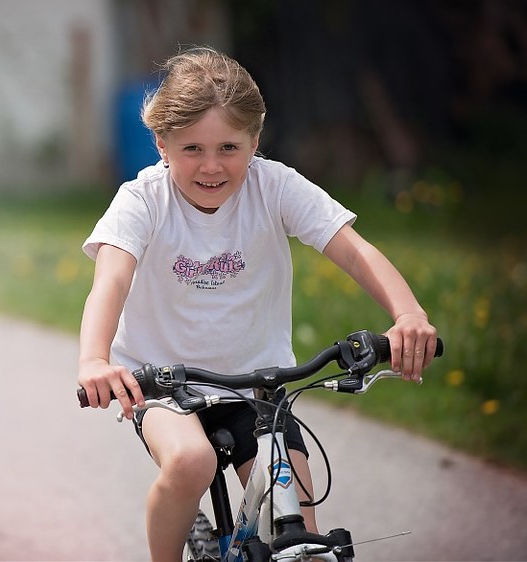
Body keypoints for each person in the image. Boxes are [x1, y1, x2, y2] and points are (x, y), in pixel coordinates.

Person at [78, 46, 438, 562]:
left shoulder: (275, 187)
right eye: (192, 149)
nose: (211, 166)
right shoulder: (142, 202)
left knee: (300, 532)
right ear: (160, 143)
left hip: (259, 385)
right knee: (189, 464)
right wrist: (94, 360)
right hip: (163, 384)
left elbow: (355, 253)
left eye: (229, 147)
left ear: (255, 141)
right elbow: (110, 281)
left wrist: (409, 316)